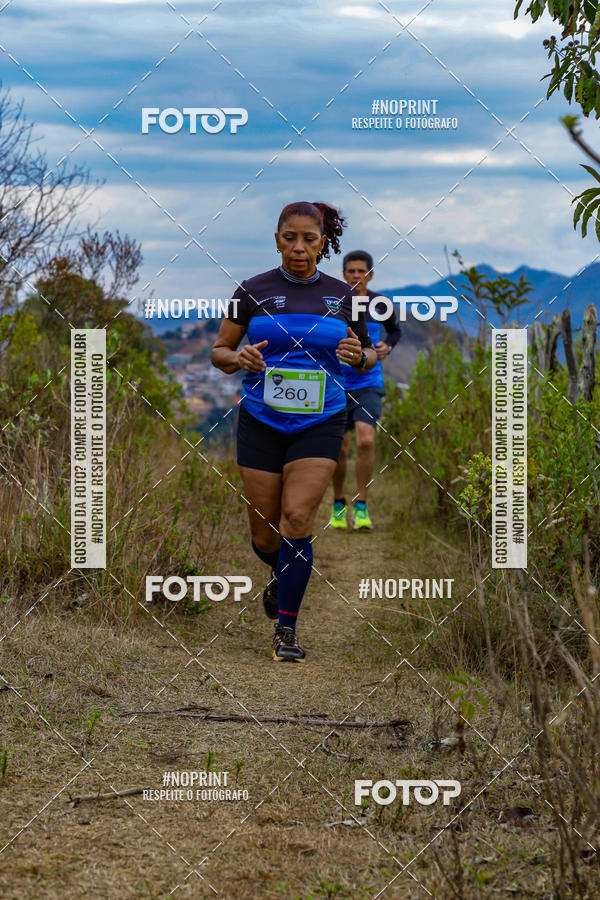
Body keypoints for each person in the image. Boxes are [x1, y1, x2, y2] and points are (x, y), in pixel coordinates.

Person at [211, 202, 376, 661]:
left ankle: (287, 628)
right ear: (277, 238)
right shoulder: (251, 291)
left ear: (323, 243)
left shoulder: (343, 297)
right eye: (289, 238)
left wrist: (358, 356)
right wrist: (238, 358)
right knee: (267, 537)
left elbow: (367, 355)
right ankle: (281, 572)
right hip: (261, 421)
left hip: (321, 420)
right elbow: (219, 351)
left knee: (298, 520)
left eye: (309, 239)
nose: (298, 247)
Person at [328, 250, 401, 531]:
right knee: (340, 448)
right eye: (351, 271)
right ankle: (337, 503)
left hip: (369, 383)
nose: (356, 276)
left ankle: (361, 506)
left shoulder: (380, 304)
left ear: (370, 275)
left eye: (362, 271)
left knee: (366, 441)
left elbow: (395, 331)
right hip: (336, 383)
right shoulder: (334, 305)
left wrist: (387, 347)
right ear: (343, 274)